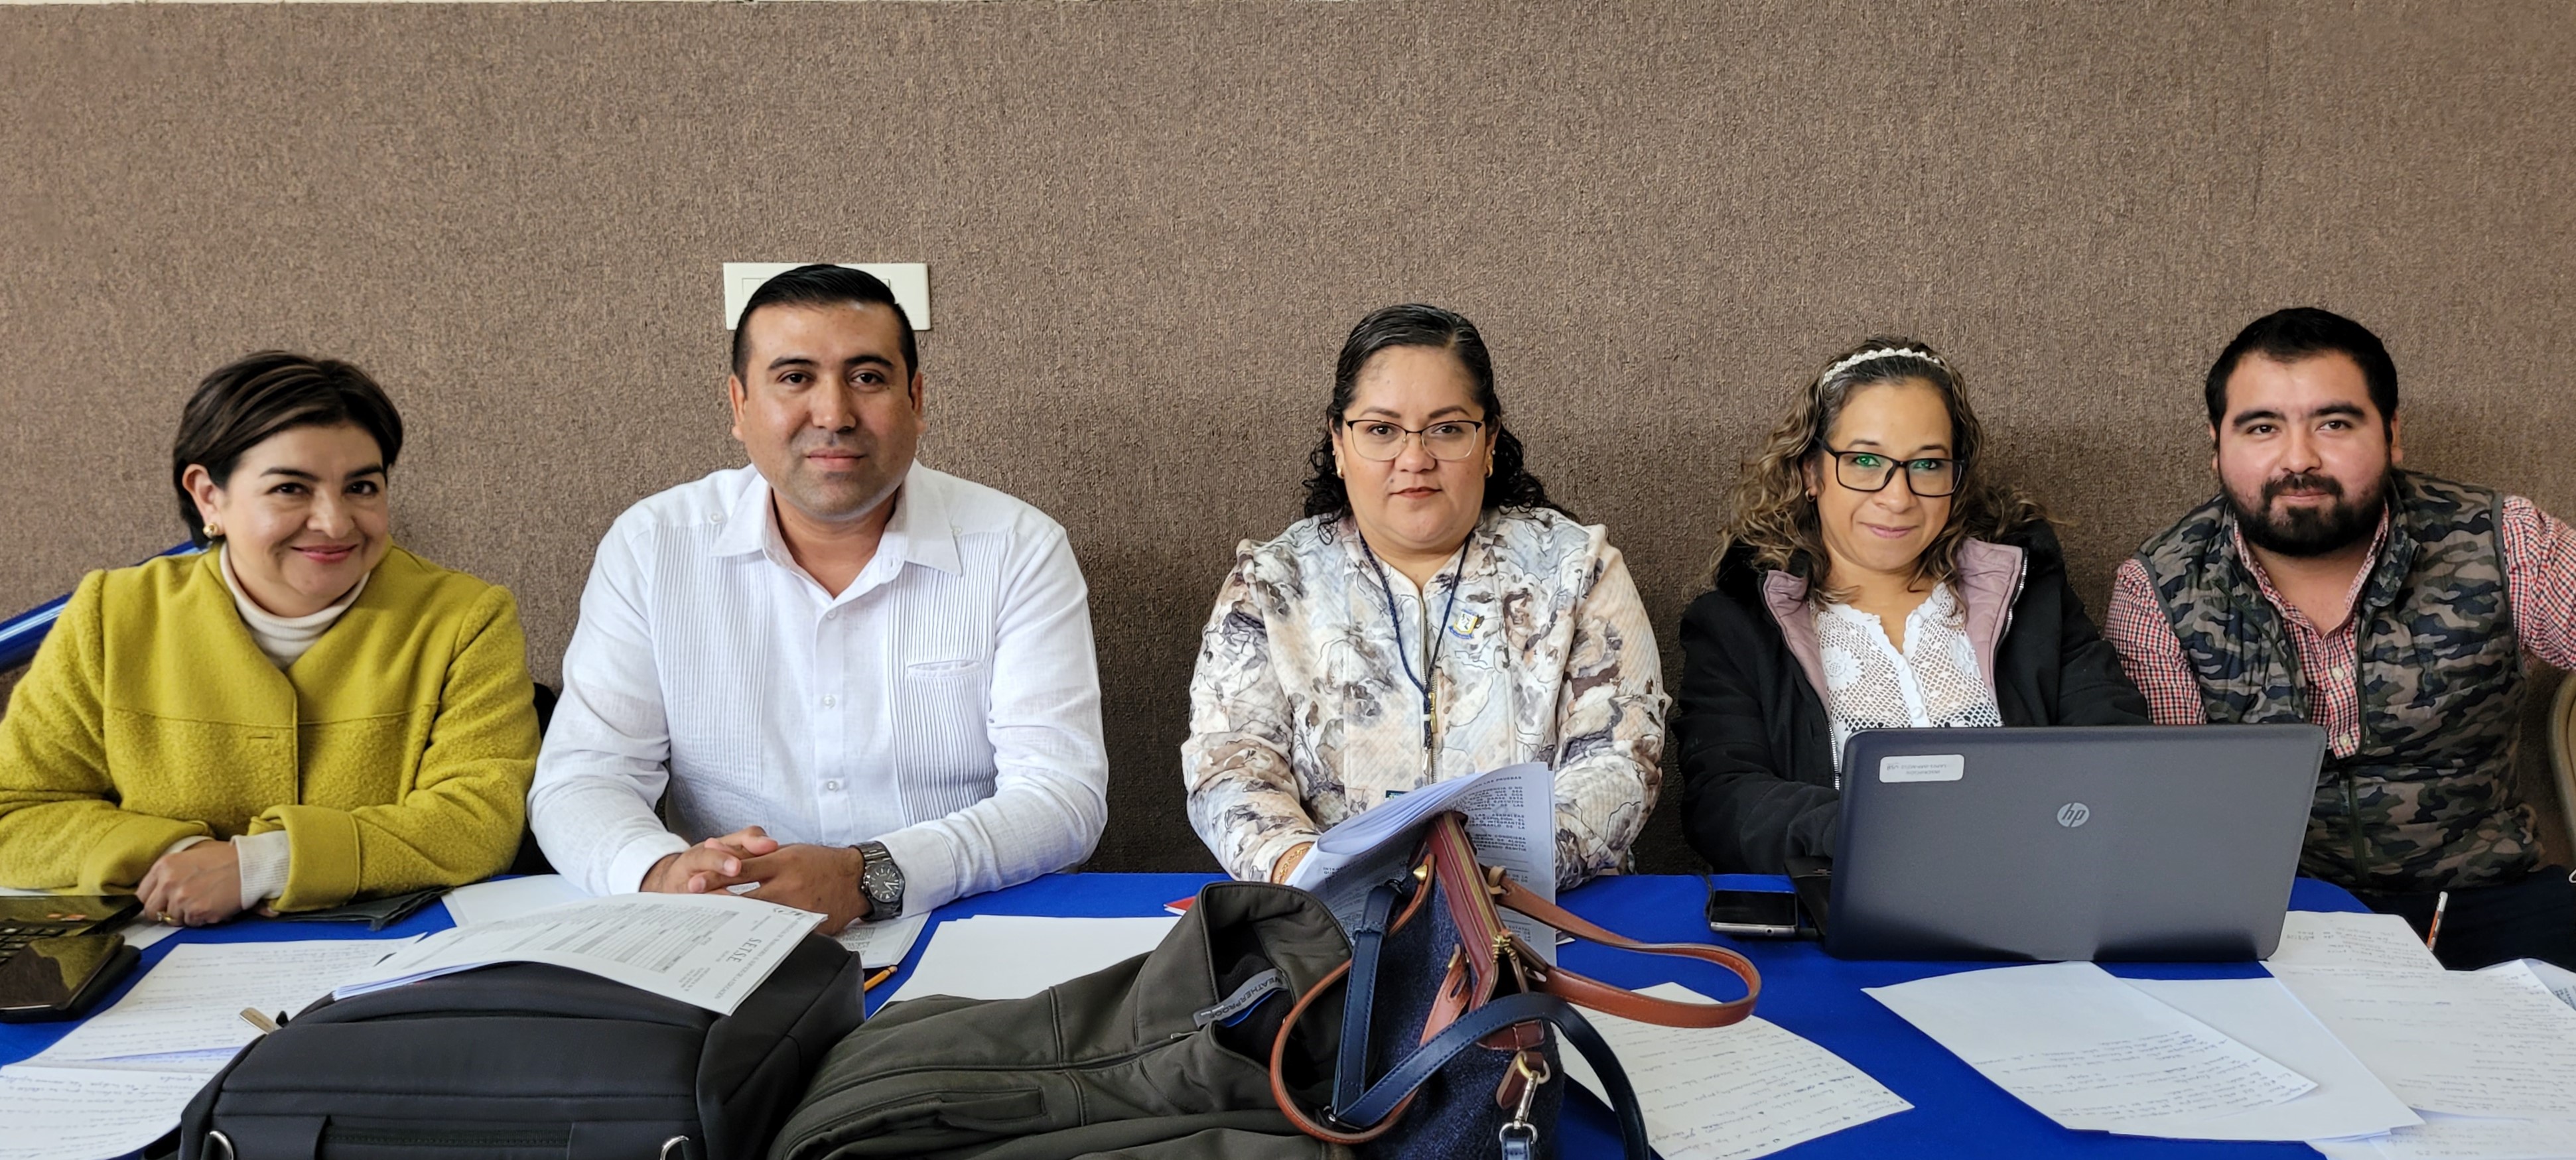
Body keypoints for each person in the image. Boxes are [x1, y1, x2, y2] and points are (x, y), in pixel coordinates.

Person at [528, 265, 1107, 933]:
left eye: (867, 377)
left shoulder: (1017, 547)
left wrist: (865, 876)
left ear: (916, 399)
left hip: (969, 924)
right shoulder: (653, 547)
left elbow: (1062, 797)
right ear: (739, 405)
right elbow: (584, 777)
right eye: (795, 378)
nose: (833, 415)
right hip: (725, 928)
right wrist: (661, 872)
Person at [2104, 307, 2576, 970]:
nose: (2298, 459)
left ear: (2391, 433)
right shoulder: (2158, 589)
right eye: (2262, 427)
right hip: (2279, 920)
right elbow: (2176, 810)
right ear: (2216, 445)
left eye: (2334, 423)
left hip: (2486, 898)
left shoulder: (2505, 540)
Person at [0, 352, 540, 925]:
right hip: (157, 959)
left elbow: (479, 822)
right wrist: (179, 858)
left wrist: (264, 864)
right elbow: (16, 811)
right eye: (290, 488)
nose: (335, 522)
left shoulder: (464, 617)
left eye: (362, 486)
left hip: (390, 956)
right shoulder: (112, 614)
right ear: (208, 496)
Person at [1182, 303, 1664, 891]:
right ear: (1339, 442)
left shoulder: (1577, 569)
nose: (1414, 459)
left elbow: (1619, 760)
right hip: (1334, 917)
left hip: (1542, 907)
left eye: (1447, 429)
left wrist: (1480, 877)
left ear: (1488, 440)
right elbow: (1230, 765)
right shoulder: (1271, 583)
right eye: (1381, 430)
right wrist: (1309, 874)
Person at [1673, 339, 2148, 875]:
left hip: (2034, 887)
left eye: (1926, 464)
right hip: (1842, 901)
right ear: (1810, 472)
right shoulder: (1737, 624)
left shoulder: (2027, 594)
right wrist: (1864, 828)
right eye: (1864, 461)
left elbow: (2117, 748)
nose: (1897, 497)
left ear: (1955, 477)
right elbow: (1723, 800)